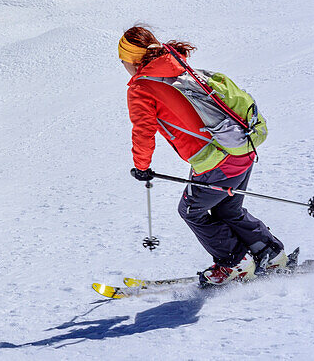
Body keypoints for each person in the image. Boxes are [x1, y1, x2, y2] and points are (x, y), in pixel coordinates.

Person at [118, 25, 288, 285]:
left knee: (190, 211)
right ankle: (269, 253)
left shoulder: (142, 87)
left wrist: (141, 166)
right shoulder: (176, 65)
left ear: (133, 59)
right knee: (228, 209)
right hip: (241, 147)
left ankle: (234, 262)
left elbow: (143, 131)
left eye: (123, 60)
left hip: (216, 160)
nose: (123, 66)